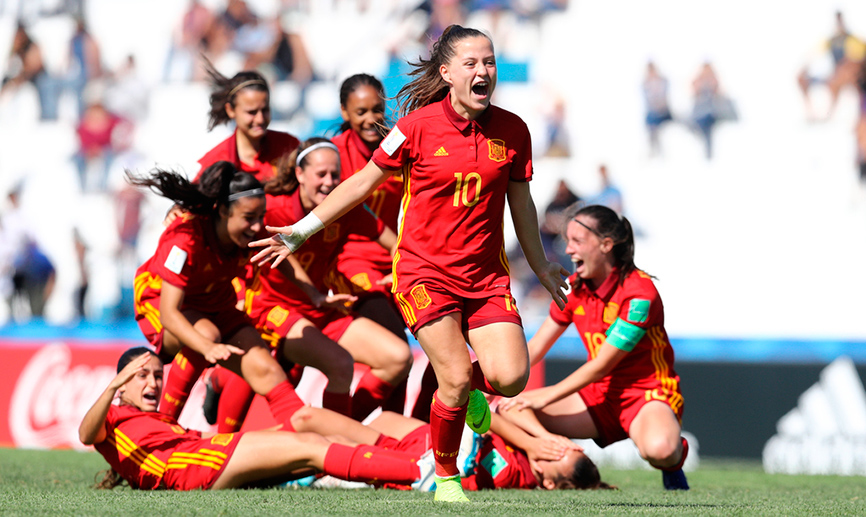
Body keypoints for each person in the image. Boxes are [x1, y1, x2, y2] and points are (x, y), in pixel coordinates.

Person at [250, 25, 570, 502]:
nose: (484, 71)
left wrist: (541, 266)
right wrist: (302, 229)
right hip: (423, 272)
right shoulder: (416, 127)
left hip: (485, 277)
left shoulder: (514, 130)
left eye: (490, 62)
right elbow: (361, 185)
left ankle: (472, 397)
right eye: (472, 64)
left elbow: (520, 205)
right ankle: (444, 476)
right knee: (456, 378)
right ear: (446, 73)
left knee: (511, 377)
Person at [499, 204, 690, 490]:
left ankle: (673, 463)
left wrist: (546, 396)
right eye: (567, 241)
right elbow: (536, 347)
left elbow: (602, 364)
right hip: (598, 397)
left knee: (659, 450)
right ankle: (545, 463)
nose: (569, 250)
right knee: (505, 409)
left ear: (606, 245)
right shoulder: (575, 286)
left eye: (577, 241)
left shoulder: (641, 293)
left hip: (646, 394)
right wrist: (492, 376)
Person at [224, 137, 411, 425]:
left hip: (319, 306)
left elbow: (394, 243)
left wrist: (403, 272)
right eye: (321, 174)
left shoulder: (345, 208)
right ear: (299, 174)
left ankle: (341, 433)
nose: (329, 181)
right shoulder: (272, 208)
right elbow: (231, 240)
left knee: (399, 358)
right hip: (271, 307)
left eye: (335, 174)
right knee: (339, 364)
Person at [79, 347, 429, 490]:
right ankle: (421, 472)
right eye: (142, 376)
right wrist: (111, 388)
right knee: (310, 444)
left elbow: (195, 441)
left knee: (306, 419)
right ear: (122, 383)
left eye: (157, 375)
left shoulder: (160, 423)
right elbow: (85, 434)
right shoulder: (111, 414)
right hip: (189, 469)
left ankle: (411, 455)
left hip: (202, 456)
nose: (154, 382)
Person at [129, 161, 307, 432]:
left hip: (215, 304)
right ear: (223, 211)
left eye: (262, 216)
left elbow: (279, 256)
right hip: (159, 300)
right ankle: (158, 432)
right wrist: (207, 347)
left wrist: (315, 295)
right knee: (207, 335)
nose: (258, 226)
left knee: (268, 371)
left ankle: (307, 439)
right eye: (250, 217)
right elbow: (169, 314)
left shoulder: (248, 232)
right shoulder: (184, 238)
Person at [329, 73, 421, 415]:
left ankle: (393, 441)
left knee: (404, 360)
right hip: (348, 265)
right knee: (397, 351)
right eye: (361, 111)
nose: (371, 119)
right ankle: (344, 430)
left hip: (396, 262)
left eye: (377, 110)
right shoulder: (331, 158)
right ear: (344, 113)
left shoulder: (401, 147)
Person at [288, 405, 614, 491]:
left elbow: (480, 411)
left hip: (417, 454)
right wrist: (539, 437)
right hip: (421, 437)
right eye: (562, 445)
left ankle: (249, 455)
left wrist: (528, 442)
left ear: (547, 481)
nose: (548, 446)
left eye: (553, 454)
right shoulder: (532, 447)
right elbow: (510, 407)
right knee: (309, 421)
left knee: (309, 425)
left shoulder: (512, 475)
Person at [195, 60, 300, 183]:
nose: (260, 119)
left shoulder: (289, 147)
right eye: (252, 112)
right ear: (230, 110)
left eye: (265, 110)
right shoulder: (215, 163)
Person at [798, 11, 866, 121]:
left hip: (846, 75)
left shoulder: (852, 40)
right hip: (835, 73)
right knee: (801, 77)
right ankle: (811, 112)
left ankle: (829, 115)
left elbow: (859, 58)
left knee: (837, 78)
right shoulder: (831, 40)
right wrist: (806, 65)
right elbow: (814, 53)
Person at [642, 61, 672, 157]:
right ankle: (655, 151)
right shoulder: (645, 84)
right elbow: (647, 102)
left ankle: (659, 153)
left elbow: (665, 98)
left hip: (665, 112)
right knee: (651, 124)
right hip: (653, 113)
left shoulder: (664, 81)